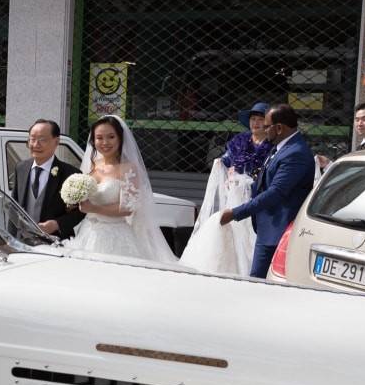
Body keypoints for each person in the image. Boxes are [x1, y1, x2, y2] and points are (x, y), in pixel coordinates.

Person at [64, 115, 177, 263]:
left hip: (115, 234)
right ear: (93, 141)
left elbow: (128, 208)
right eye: (99, 138)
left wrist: (93, 208)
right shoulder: (92, 166)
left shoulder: (128, 168)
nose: (105, 142)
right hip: (88, 232)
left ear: (120, 138)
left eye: (111, 137)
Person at [220, 104, 315, 278]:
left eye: (266, 126)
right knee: (256, 280)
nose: (263, 129)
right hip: (267, 228)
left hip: (278, 229)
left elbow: (276, 192)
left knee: (261, 282)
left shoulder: (296, 153)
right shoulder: (280, 146)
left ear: (279, 128)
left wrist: (235, 213)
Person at [179, 102, 273, 275]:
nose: (256, 123)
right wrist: (225, 167)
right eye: (253, 119)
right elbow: (226, 161)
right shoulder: (239, 142)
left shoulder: (272, 147)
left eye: (260, 119)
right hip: (234, 197)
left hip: (257, 199)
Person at [12, 119, 83, 238]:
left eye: (42, 140)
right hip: (22, 241)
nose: (35, 145)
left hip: (55, 243)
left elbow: (80, 212)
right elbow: (14, 207)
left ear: (56, 141)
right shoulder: (21, 168)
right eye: (32, 139)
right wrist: (11, 238)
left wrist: (57, 224)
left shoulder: (71, 174)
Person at [317, 102, 365, 171]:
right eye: (357, 120)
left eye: (364, 119)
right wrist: (328, 164)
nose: (359, 124)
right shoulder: (360, 147)